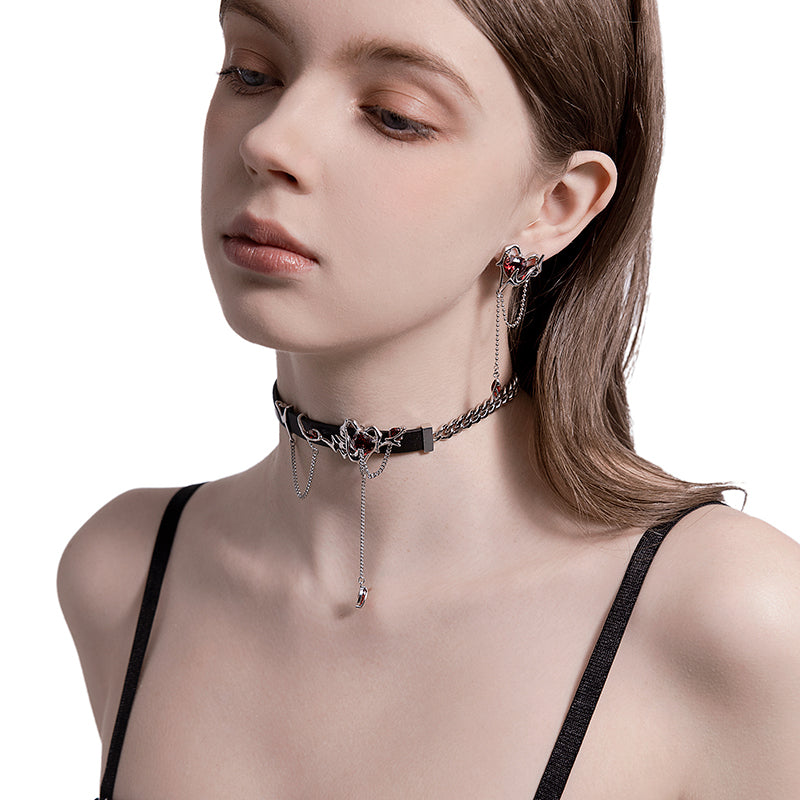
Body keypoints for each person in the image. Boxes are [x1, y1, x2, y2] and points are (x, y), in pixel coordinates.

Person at [57, 0, 800, 797]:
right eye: (252, 71)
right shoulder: (124, 574)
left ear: (556, 204)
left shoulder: (733, 619)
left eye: (395, 115)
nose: (269, 141)